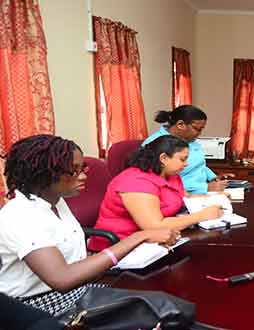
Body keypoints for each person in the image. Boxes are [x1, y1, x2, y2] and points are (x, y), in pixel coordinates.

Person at [0, 135, 178, 315]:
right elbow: (62, 279)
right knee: (158, 309)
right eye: (73, 171)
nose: (83, 176)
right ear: (42, 174)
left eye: (82, 168)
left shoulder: (56, 201)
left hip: (78, 288)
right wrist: (140, 236)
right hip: (37, 305)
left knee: (163, 299)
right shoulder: (20, 216)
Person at [89, 135, 224, 251]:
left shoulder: (170, 174)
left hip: (157, 240)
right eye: (182, 159)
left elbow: (184, 196)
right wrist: (202, 215)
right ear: (164, 158)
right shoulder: (136, 182)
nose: (186, 164)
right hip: (121, 246)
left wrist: (213, 197)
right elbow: (154, 226)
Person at [144, 105, 233, 194]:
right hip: (181, 194)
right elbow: (159, 180)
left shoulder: (190, 140)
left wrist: (214, 178)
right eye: (197, 129)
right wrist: (205, 188)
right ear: (180, 124)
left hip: (205, 190)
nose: (199, 133)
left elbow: (200, 165)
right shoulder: (156, 143)